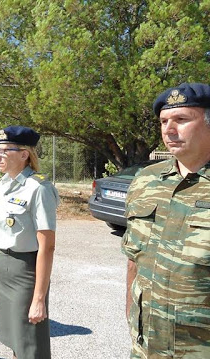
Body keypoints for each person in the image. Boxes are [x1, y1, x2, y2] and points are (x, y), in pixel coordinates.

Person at [122, 82, 210, 358]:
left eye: (182, 120)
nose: (169, 130)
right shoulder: (146, 180)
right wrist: (129, 312)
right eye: (163, 121)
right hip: (146, 343)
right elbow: (134, 258)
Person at [0, 126, 59, 359]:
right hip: (3, 269)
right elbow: (0, 237)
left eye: (3, 150)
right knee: (13, 339)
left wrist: (39, 298)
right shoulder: (1, 186)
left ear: (24, 154)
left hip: (25, 273)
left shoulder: (38, 188)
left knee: (31, 344)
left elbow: (47, 246)